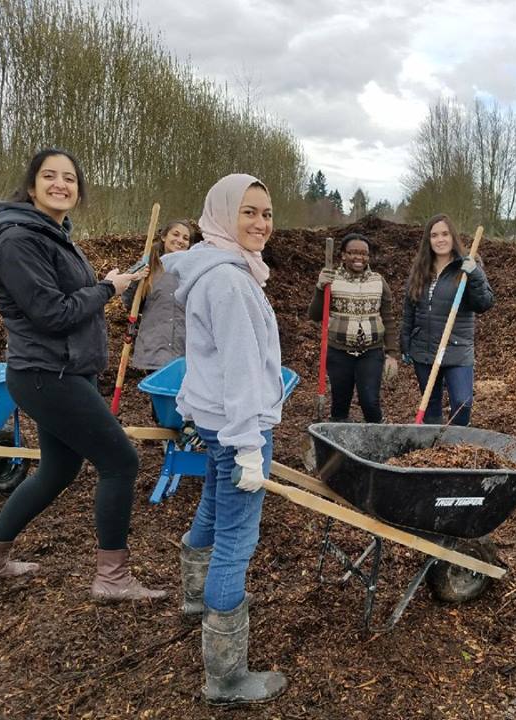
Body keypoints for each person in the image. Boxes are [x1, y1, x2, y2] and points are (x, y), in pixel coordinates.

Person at [0, 148, 165, 602]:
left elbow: (66, 299)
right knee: (120, 462)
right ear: (31, 187)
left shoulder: (51, 235)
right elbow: (51, 313)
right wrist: (106, 289)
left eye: (69, 178)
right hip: (45, 373)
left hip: (64, 369)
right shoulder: (18, 240)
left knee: (58, 468)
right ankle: (112, 578)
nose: (61, 184)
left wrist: (106, 285)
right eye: (49, 176)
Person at [162, 173, 287, 705]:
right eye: (249, 213)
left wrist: (197, 414)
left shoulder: (217, 269)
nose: (261, 224)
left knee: (214, 505)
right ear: (223, 214)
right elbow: (237, 369)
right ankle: (226, 675)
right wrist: (249, 445)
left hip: (216, 421)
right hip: (240, 426)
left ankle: (198, 597)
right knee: (237, 537)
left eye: (266, 214)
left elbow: (204, 360)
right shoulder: (230, 281)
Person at [400, 214, 494, 426]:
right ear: (428, 240)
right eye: (434, 235)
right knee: (430, 404)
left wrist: (476, 275)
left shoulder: (468, 265)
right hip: (424, 349)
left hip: (457, 347)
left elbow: (485, 304)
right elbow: (409, 311)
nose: (440, 239)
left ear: (453, 237)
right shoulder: (420, 269)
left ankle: (456, 444)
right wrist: (405, 344)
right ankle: (434, 447)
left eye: (445, 234)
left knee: (462, 402)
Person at [307, 232, 399, 423]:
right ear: (343, 255)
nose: (359, 257)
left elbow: (388, 318)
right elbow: (315, 315)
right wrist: (319, 287)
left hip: (371, 352)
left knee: (370, 401)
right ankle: (339, 446)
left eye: (364, 254)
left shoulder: (378, 281)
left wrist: (391, 354)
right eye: (353, 252)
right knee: (340, 404)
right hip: (339, 352)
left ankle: (377, 440)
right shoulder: (331, 280)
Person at [121, 219, 192, 371]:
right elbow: (129, 301)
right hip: (155, 347)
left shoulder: (193, 272)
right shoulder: (149, 268)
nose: (180, 240)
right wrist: (136, 277)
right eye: (176, 234)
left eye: (186, 238)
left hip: (185, 348)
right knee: (158, 393)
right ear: (164, 237)